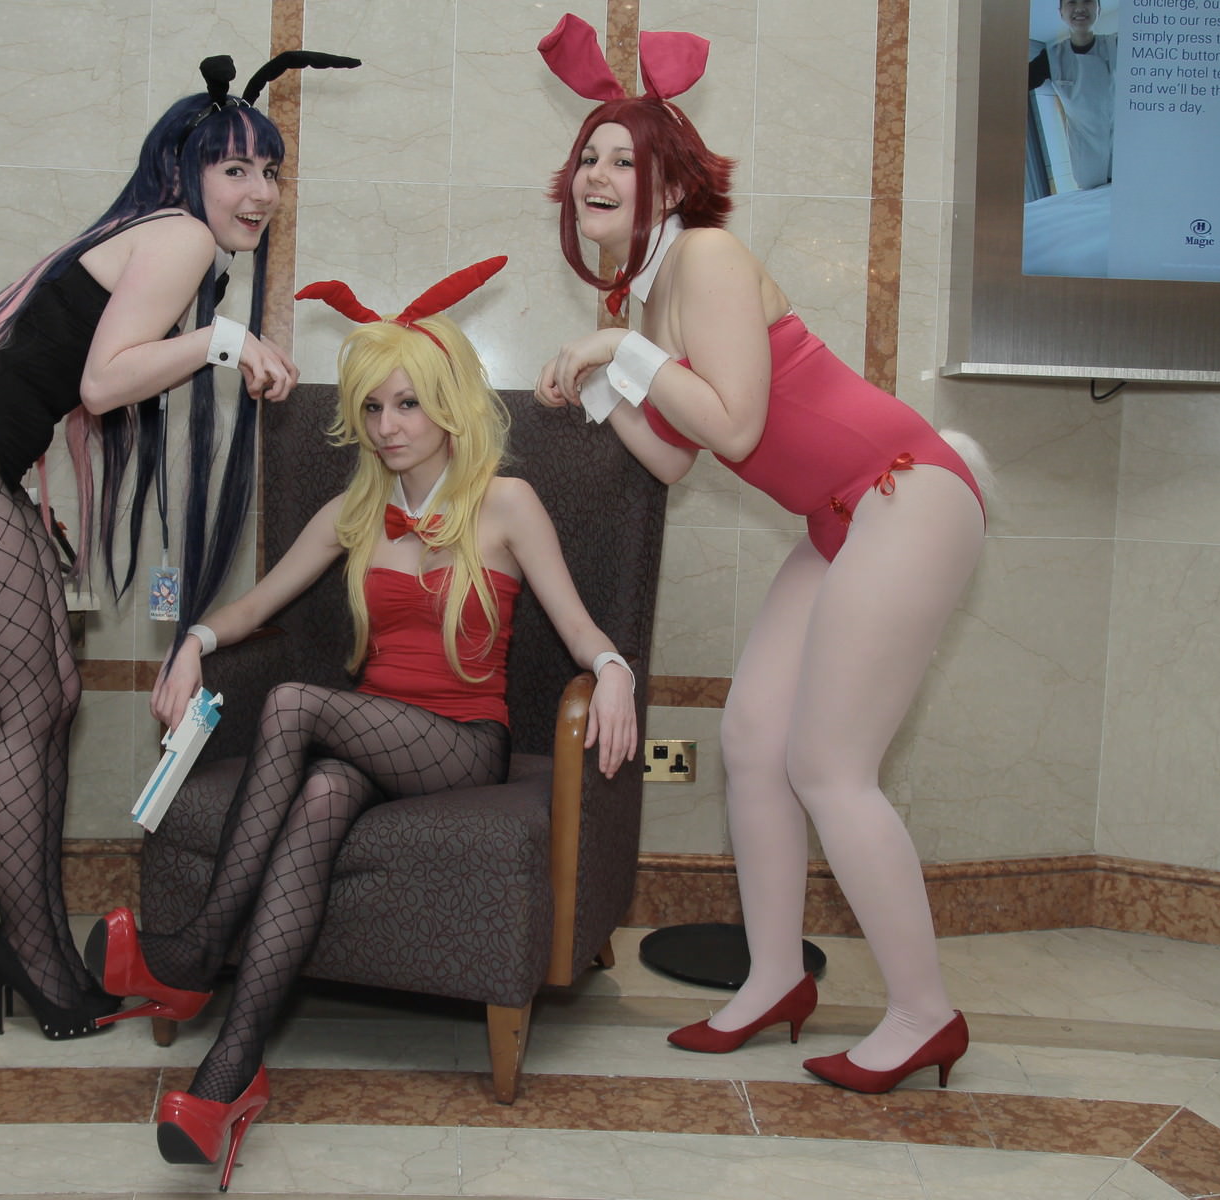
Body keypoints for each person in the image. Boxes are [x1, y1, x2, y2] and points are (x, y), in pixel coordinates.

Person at [88, 259, 639, 1187]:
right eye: (374, 408)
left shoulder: (506, 503)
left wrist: (614, 668)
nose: (388, 427)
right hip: (370, 736)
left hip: (463, 742)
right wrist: (194, 643)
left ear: (448, 407)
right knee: (322, 797)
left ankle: (192, 952)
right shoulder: (358, 509)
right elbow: (256, 604)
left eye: (407, 405)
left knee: (296, 704)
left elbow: (580, 626)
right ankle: (228, 1079)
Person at [0, 52, 354, 1045]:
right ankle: (34, 955)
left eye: (271, 171)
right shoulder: (178, 236)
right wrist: (222, 343)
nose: (260, 193)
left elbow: (69, 379)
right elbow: (102, 381)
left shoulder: (164, 239)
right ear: (186, 172)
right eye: (236, 170)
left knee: (52, 698)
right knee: (30, 704)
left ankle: (30, 942)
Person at [534, 15, 987, 1095]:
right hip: (840, 518)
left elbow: (735, 426)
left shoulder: (708, 255)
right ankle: (775, 977)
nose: (597, 174)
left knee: (829, 763)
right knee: (750, 739)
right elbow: (672, 454)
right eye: (588, 156)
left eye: (623, 158)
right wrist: (602, 388)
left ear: (669, 178)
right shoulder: (651, 295)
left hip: (906, 490)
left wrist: (617, 348)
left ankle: (924, 1013)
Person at [1028, 0, 1117, 191]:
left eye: (1088, 1)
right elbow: (1012, 86)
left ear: (1099, 9)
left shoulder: (1118, 46)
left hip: (1126, 149)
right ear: (1061, 12)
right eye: (1071, 2)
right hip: (1087, 160)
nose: (1080, 8)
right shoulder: (1051, 58)